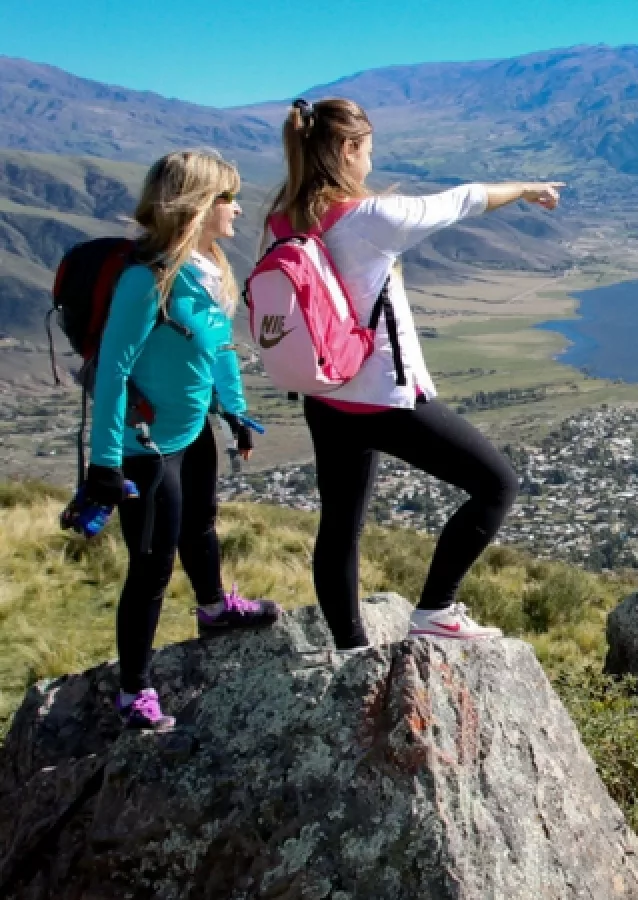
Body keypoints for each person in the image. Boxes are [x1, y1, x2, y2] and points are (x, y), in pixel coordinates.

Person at [266, 97, 563, 651]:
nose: (371, 161)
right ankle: (435, 609)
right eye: (368, 150)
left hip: (324, 394)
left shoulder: (283, 217)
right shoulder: (374, 219)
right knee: (496, 485)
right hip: (383, 397)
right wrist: (526, 188)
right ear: (348, 149)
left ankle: (350, 646)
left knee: (340, 526)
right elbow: (464, 200)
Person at [83, 150, 279, 732]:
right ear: (194, 206)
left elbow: (219, 348)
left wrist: (235, 412)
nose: (237, 208)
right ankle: (133, 691)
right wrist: (104, 463)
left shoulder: (208, 268)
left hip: (192, 432)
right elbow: (113, 372)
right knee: (150, 568)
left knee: (200, 524)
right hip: (145, 450)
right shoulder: (146, 280)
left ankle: (215, 608)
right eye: (226, 198)